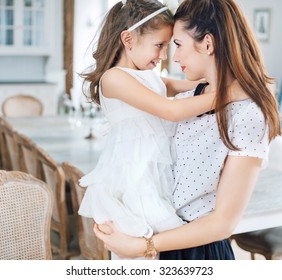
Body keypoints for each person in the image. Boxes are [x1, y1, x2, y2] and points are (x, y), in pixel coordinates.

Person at [94, 0, 282, 260]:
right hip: (159, 238)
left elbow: (222, 223)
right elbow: (169, 105)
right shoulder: (190, 98)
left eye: (177, 45)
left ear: (207, 44)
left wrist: (142, 245)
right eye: (164, 46)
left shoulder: (247, 113)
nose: (172, 57)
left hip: (195, 251)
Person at [78, 0, 235, 260]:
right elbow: (170, 110)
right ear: (128, 39)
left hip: (157, 170)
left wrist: (216, 80)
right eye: (159, 45)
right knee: (153, 244)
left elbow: (184, 86)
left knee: (165, 246)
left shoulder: (147, 76)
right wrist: (227, 94)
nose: (164, 56)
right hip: (135, 174)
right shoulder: (113, 78)